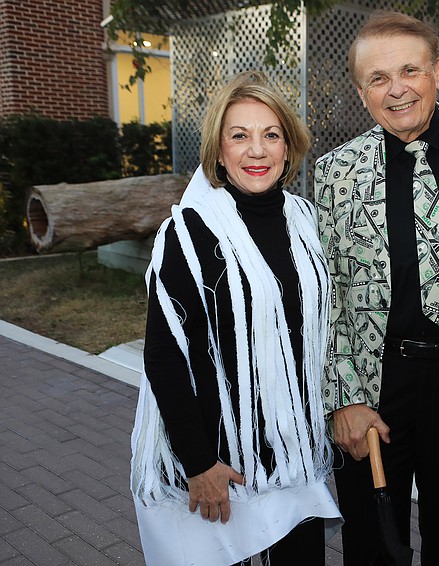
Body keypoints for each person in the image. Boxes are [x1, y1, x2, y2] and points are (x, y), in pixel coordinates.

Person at [313, 10, 439, 566]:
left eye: (410, 70)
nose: (397, 89)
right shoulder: (336, 174)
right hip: (376, 389)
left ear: (436, 71)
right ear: (361, 92)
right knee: (374, 547)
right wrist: (343, 399)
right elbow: (323, 295)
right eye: (378, 78)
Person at [130, 70, 340, 566]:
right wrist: (199, 463)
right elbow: (164, 357)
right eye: (239, 136)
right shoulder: (189, 233)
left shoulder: (305, 220)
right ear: (219, 152)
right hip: (227, 468)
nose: (257, 150)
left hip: (296, 464)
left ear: (289, 147)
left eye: (271, 134)